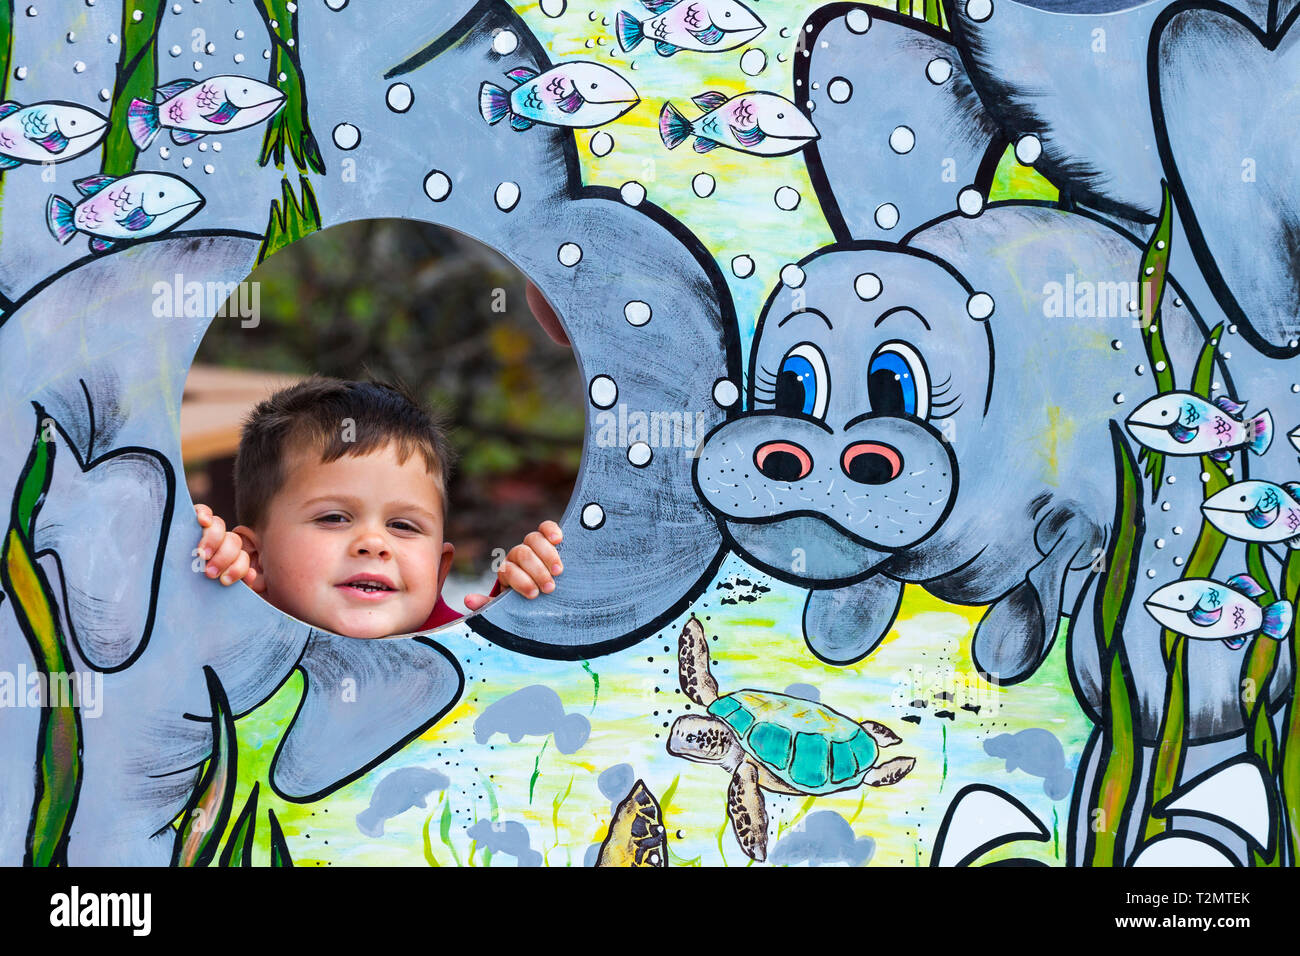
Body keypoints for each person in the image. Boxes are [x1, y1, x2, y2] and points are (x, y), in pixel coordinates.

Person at [192, 281, 571, 639]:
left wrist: (512, 617)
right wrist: (202, 575)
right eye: (334, 518)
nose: (373, 543)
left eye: (403, 525)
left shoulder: (465, 648)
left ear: (440, 573)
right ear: (255, 558)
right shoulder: (228, 637)